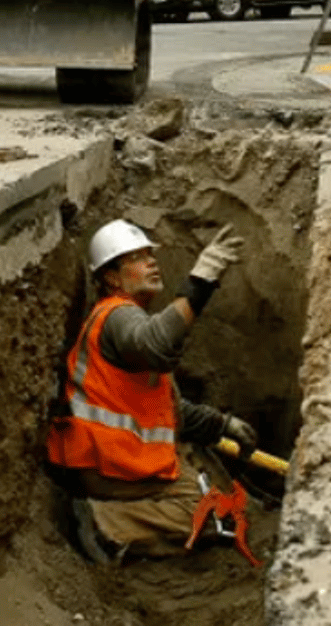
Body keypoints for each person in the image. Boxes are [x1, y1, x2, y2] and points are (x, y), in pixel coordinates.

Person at [46, 219, 259, 563]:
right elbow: (156, 344)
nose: (151, 262)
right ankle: (108, 525)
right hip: (105, 462)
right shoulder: (116, 316)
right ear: (112, 278)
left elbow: (168, 411)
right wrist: (201, 281)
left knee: (202, 481)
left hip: (108, 459)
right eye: (136, 257)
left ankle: (121, 521)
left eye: (150, 254)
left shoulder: (128, 321)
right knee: (212, 512)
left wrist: (223, 425)